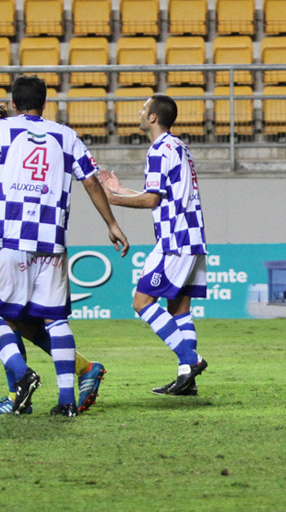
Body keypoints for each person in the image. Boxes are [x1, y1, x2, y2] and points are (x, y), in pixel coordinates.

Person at [0, 76, 129, 417]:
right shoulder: (66, 135)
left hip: (10, 237)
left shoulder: (2, 130)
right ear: (45, 103)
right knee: (53, 319)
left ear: (14, 102)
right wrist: (111, 224)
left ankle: (22, 380)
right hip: (52, 240)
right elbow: (91, 182)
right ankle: (66, 402)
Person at [98, 94, 207, 396]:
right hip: (193, 235)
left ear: (153, 118)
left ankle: (191, 360)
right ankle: (187, 379)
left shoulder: (158, 150)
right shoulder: (179, 147)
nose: (140, 112)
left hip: (174, 239)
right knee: (180, 309)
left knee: (142, 302)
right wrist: (122, 190)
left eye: (144, 108)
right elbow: (159, 194)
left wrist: (113, 198)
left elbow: (151, 200)